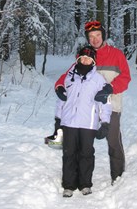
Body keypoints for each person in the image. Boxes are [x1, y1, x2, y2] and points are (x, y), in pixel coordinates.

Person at [55, 21, 131, 185]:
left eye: (97, 35)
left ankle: (117, 177)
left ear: (103, 35)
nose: (95, 39)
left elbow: (125, 78)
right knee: (80, 146)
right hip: (86, 111)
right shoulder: (85, 56)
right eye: (91, 36)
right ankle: (76, 178)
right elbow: (67, 76)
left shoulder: (116, 54)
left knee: (113, 141)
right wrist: (59, 87)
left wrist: (110, 88)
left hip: (111, 107)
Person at [54, 45, 113, 198]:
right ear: (78, 59)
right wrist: (58, 119)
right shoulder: (68, 77)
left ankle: (85, 184)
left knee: (86, 153)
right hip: (69, 122)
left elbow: (105, 102)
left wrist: (105, 122)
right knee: (69, 153)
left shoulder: (99, 80)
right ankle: (68, 185)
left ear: (93, 61)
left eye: (89, 58)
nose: (85, 61)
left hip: (88, 123)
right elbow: (61, 101)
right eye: (83, 58)